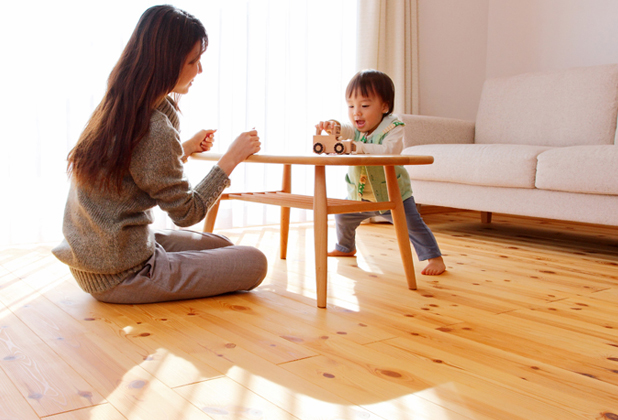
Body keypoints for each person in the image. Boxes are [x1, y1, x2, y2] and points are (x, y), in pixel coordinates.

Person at [52, 5, 268, 304]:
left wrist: (186, 147)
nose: (200, 70)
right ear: (167, 63)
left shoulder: (118, 106)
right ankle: (159, 269)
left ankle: (168, 261)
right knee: (254, 261)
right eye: (194, 61)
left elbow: (138, 171)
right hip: (124, 273)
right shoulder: (154, 127)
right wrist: (231, 158)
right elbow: (186, 213)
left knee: (221, 244)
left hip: (101, 254)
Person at [315, 70, 446, 275]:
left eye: (365, 106)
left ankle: (434, 257)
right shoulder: (357, 129)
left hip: (393, 196)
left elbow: (389, 151)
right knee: (342, 217)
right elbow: (344, 130)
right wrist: (333, 126)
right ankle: (345, 247)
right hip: (360, 196)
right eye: (351, 106)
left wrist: (357, 147)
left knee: (413, 226)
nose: (357, 112)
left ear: (384, 106)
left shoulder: (393, 127)